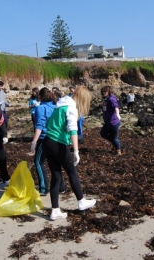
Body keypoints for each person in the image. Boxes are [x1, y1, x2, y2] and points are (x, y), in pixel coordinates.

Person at [43, 86, 96, 220]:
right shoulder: (71, 107)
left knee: (56, 176)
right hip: (57, 143)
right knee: (72, 171)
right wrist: (76, 151)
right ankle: (81, 201)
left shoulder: (60, 105)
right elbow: (73, 130)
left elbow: (49, 122)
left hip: (47, 142)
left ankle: (55, 210)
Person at [30, 87, 66, 196]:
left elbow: (39, 126)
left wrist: (34, 141)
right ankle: (61, 187)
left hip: (45, 139)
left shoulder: (41, 108)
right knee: (56, 163)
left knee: (38, 162)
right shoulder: (56, 106)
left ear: (40, 97)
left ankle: (43, 188)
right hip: (57, 138)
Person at [100, 85, 122, 155]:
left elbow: (116, 106)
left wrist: (118, 114)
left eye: (105, 91)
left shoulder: (111, 98)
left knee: (114, 137)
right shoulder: (106, 99)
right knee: (103, 133)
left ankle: (118, 150)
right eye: (103, 91)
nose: (104, 93)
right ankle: (116, 144)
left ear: (109, 91)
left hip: (113, 122)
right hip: (107, 122)